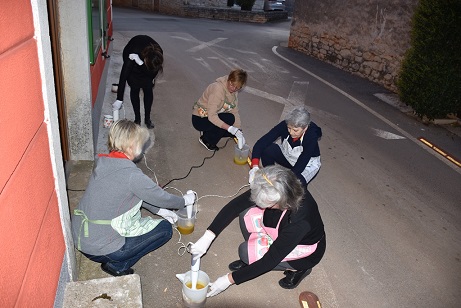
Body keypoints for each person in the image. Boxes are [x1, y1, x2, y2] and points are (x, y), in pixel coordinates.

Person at [71, 119, 196, 276]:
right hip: (101, 248)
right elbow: (161, 197)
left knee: (155, 219)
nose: (142, 148)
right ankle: (119, 265)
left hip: (81, 238)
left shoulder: (103, 162)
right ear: (131, 146)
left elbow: (137, 194)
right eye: (140, 143)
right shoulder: (131, 175)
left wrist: (160, 211)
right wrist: (184, 201)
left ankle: (115, 259)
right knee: (165, 230)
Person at [190, 165, 326, 297]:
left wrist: (229, 279)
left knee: (245, 253)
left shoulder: (300, 221)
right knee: (244, 211)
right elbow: (235, 205)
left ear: (280, 201)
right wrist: (208, 236)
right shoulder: (278, 182)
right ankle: (254, 254)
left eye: (266, 204)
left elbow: (270, 260)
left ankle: (300, 269)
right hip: (281, 229)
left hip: (301, 249)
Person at [249, 106, 322, 186]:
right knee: (267, 149)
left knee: (296, 184)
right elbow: (262, 142)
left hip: (307, 163)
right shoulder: (285, 124)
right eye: (289, 128)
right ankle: (270, 175)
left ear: (305, 128)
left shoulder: (311, 136)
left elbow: (303, 160)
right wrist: (255, 165)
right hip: (288, 154)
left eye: (295, 130)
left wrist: (286, 179)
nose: (291, 132)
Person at [113, 35, 163, 129]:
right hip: (133, 63)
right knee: (135, 88)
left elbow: (152, 73)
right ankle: (137, 119)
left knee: (148, 88)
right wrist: (119, 99)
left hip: (142, 60)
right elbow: (123, 76)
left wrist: (141, 63)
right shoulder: (132, 54)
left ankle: (147, 119)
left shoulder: (158, 53)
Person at [192, 69, 248, 151]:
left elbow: (234, 111)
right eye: (232, 85)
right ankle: (206, 140)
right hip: (200, 118)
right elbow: (212, 116)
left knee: (232, 130)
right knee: (229, 120)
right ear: (229, 79)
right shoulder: (217, 89)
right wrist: (230, 128)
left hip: (211, 116)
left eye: (237, 88)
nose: (233, 89)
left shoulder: (233, 93)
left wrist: (238, 130)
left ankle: (208, 133)